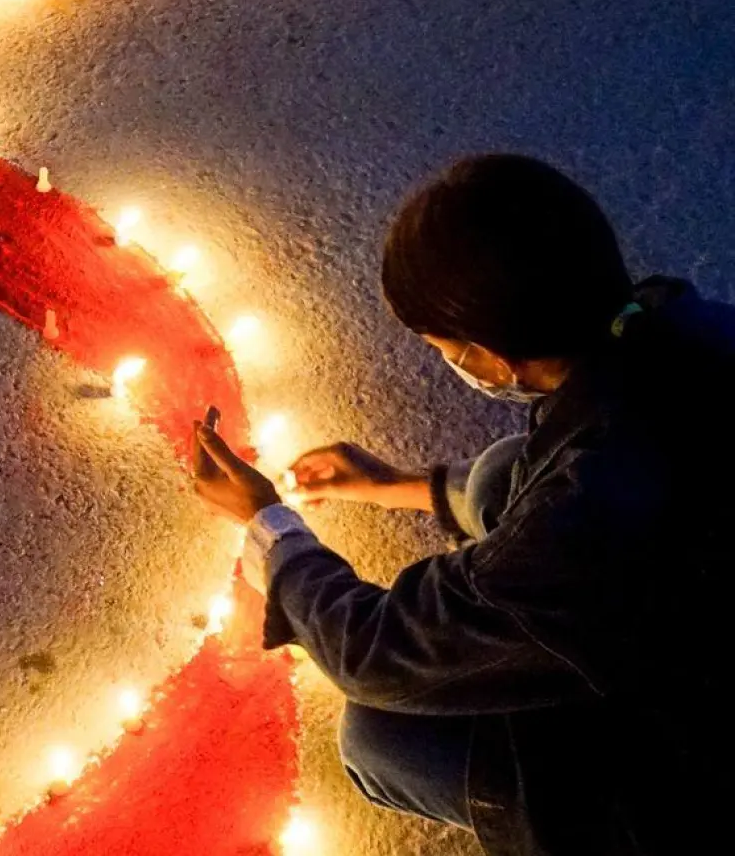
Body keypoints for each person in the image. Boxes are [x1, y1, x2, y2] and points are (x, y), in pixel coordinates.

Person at [189, 154, 728, 855]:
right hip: (693, 598)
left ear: (491, 356)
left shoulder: (587, 521)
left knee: (381, 731)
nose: (452, 363)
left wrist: (270, 525)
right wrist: (395, 486)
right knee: (499, 474)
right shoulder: (683, 327)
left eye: (445, 348)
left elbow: (380, 653)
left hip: (698, 755)